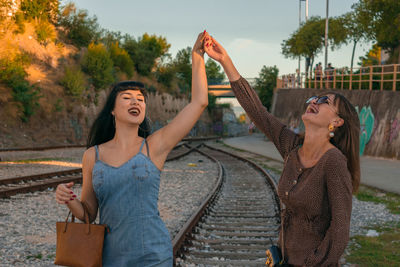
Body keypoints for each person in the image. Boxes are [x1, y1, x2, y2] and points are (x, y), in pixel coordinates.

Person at [55, 32, 209, 266]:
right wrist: (68, 199)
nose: (136, 102)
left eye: (140, 99)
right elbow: (88, 214)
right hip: (110, 257)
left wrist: (196, 56)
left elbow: (199, 102)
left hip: (153, 256)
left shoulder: (154, 147)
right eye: (127, 98)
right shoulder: (92, 156)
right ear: (113, 110)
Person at [204, 35, 360, 266]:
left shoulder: (334, 162)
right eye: (313, 98)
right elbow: (259, 113)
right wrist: (225, 60)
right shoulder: (292, 147)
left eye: (324, 101)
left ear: (337, 122)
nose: (314, 102)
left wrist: (313, 262)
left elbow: (340, 231)